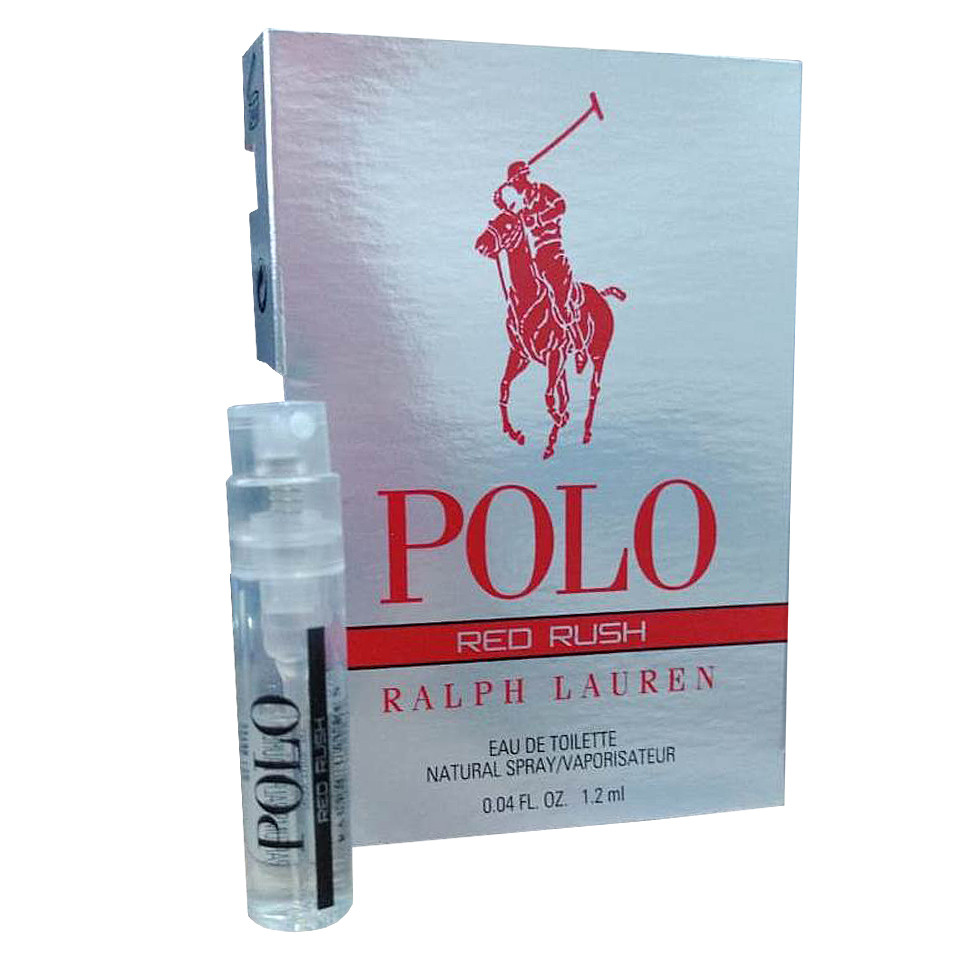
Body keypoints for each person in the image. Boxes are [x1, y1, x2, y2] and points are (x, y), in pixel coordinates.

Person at [493, 161, 587, 373]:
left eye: (514, 183)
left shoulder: (542, 191)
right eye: (511, 184)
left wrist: (537, 218)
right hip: (537, 258)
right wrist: (501, 204)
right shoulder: (525, 203)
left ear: (521, 178)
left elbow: (561, 206)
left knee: (560, 303)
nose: (514, 187)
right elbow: (515, 222)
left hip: (553, 253)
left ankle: (579, 345)